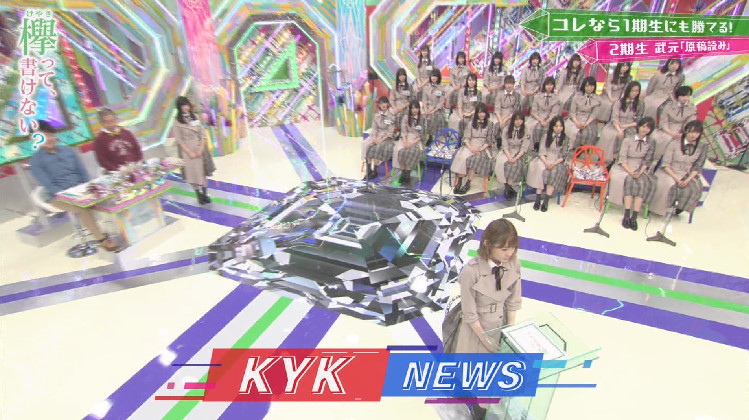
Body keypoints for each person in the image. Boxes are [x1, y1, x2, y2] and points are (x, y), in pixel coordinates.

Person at [455, 218, 521, 420]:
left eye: (513, 247)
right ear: (488, 244)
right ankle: (479, 410)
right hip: (477, 331)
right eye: (504, 249)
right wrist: (488, 341)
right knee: (480, 379)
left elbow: (513, 301)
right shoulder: (471, 272)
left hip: (499, 325)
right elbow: (469, 313)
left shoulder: (514, 264)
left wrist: (509, 333)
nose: (509, 253)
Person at [29, 121, 121, 252]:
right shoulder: (36, 161)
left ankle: (118, 229)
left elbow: (82, 172)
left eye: (50, 135)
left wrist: (89, 189)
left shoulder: (68, 151)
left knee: (107, 196)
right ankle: (101, 239)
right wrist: (71, 197)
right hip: (58, 197)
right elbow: (49, 185)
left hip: (81, 189)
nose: (48, 139)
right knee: (82, 208)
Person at [608, 117, 657, 231]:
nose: (645, 129)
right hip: (625, 166)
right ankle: (626, 214)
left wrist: (640, 172)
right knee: (629, 180)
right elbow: (622, 158)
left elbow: (648, 160)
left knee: (642, 182)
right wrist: (630, 172)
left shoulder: (651, 142)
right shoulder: (628, 140)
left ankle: (634, 217)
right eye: (643, 126)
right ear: (639, 126)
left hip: (641, 167)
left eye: (648, 128)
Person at [650, 120, 707, 217]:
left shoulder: (702, 147)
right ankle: (657, 209)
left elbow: (698, 166)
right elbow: (665, 164)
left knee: (695, 188)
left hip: (687, 173)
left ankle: (680, 209)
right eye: (691, 131)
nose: (693, 135)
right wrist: (677, 179)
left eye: (697, 133)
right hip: (669, 171)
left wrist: (688, 179)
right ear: (686, 131)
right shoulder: (674, 143)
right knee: (668, 184)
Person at [173, 96, 213, 205]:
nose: (185, 107)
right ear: (179, 108)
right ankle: (198, 194)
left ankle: (205, 194)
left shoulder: (195, 117)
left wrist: (201, 148)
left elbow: (202, 133)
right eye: (182, 106)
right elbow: (179, 140)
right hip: (187, 152)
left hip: (198, 147)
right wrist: (189, 152)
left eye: (186, 105)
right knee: (192, 174)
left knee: (202, 172)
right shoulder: (177, 121)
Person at [527, 116, 571, 212]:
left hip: (557, 160)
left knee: (554, 172)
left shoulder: (566, 139)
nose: (558, 128)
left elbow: (563, 155)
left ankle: (546, 199)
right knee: (540, 169)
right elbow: (542, 151)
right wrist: (546, 162)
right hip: (545, 158)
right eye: (556, 126)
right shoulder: (546, 136)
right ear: (552, 127)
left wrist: (553, 164)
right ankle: (538, 198)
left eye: (560, 126)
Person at [450, 103, 494, 195]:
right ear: (476, 113)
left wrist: (480, 149)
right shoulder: (470, 123)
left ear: (486, 113)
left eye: (483, 112)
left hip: (483, 147)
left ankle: (468, 183)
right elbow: (466, 138)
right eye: (479, 112)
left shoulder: (490, 124)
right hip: (470, 144)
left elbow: (489, 141)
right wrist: (470, 147)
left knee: (475, 159)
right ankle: (459, 182)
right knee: (461, 157)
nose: (481, 114)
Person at [596, 81, 644, 165]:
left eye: (636, 91)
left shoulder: (640, 104)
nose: (634, 93)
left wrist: (627, 125)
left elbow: (638, 121)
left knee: (628, 138)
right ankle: (603, 158)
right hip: (616, 125)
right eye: (632, 91)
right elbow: (615, 118)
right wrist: (619, 129)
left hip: (630, 126)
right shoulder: (619, 102)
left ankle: (618, 160)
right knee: (610, 135)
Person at [651, 85, 697, 162]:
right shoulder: (669, 105)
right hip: (666, 129)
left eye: (688, 96)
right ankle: (652, 158)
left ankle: (659, 162)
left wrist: (683, 134)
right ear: (678, 96)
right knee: (656, 137)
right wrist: (669, 132)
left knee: (672, 141)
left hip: (681, 132)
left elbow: (690, 124)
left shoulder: (692, 108)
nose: (685, 98)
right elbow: (663, 121)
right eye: (683, 96)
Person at [494, 111, 531, 200]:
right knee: (501, 162)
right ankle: (507, 187)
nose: (519, 122)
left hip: (519, 153)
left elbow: (524, 148)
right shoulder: (506, 129)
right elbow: (505, 145)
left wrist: (515, 158)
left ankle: (508, 188)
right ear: (513, 120)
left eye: (521, 120)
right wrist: (510, 157)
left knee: (514, 165)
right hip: (507, 151)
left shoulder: (526, 130)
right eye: (516, 120)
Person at [363, 96, 396, 180]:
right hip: (377, 136)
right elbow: (374, 128)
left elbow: (390, 132)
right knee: (368, 146)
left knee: (376, 148)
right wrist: (374, 137)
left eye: (385, 103)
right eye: (381, 103)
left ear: (388, 104)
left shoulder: (391, 116)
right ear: (379, 105)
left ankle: (375, 171)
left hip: (387, 138)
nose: (383, 105)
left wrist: (380, 140)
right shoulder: (376, 115)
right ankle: (369, 171)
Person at [392, 100, 425, 185]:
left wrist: (411, 143)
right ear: (410, 109)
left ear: (419, 109)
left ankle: (408, 175)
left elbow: (421, 135)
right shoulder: (406, 117)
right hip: (406, 138)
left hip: (417, 140)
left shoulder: (422, 119)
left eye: (416, 108)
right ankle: (403, 173)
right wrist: (405, 142)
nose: (414, 110)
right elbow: (403, 132)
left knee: (410, 152)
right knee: (399, 151)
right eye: (412, 108)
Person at [566, 76, 601, 149]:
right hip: (575, 118)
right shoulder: (577, 96)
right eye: (587, 86)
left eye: (591, 86)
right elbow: (572, 112)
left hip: (588, 120)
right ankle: (571, 148)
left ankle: (583, 150)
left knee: (590, 133)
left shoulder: (597, 99)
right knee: (574, 132)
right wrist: (577, 122)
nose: (589, 88)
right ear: (584, 86)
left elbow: (594, 114)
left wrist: (586, 124)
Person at [528, 77, 561, 150]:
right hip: (537, 116)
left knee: (548, 128)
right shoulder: (537, 96)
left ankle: (545, 145)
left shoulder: (556, 98)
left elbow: (554, 113)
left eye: (551, 85)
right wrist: (541, 120)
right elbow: (534, 111)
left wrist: (547, 121)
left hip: (550, 117)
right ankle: (535, 144)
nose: (549, 86)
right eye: (547, 84)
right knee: (532, 126)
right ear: (544, 85)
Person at [422, 69, 447, 145]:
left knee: (434, 116)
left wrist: (433, 111)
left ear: (438, 77)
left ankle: (435, 137)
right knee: (423, 116)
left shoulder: (441, 88)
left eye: (435, 76)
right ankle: (427, 137)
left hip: (437, 109)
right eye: (432, 76)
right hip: (427, 108)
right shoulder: (426, 87)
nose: (434, 78)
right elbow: (424, 100)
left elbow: (441, 102)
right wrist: (426, 110)